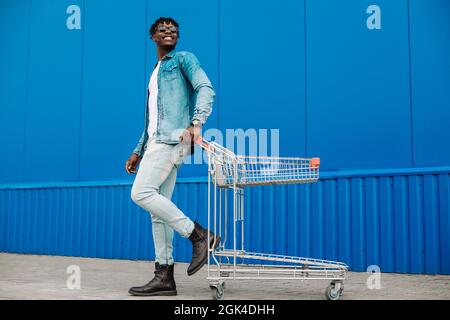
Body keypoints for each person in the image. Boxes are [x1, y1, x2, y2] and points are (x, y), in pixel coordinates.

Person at [125, 17, 219, 296]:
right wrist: (137, 150)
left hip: (172, 140)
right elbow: (152, 119)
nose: (169, 32)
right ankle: (164, 275)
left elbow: (206, 87)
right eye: (163, 29)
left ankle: (198, 235)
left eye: (174, 30)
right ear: (152, 36)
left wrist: (197, 123)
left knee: (141, 193)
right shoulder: (155, 72)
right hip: (156, 141)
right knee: (158, 211)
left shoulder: (183, 59)